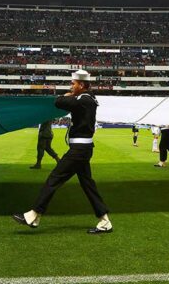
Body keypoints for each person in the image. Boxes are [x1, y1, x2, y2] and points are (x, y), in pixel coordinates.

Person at [13, 69, 112, 234]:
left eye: (73, 84)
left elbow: (58, 102)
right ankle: (105, 221)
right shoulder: (89, 99)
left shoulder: (83, 99)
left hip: (79, 150)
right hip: (83, 148)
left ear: (81, 84)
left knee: (54, 179)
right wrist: (71, 96)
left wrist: (67, 96)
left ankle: (33, 215)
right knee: (88, 185)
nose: (71, 86)